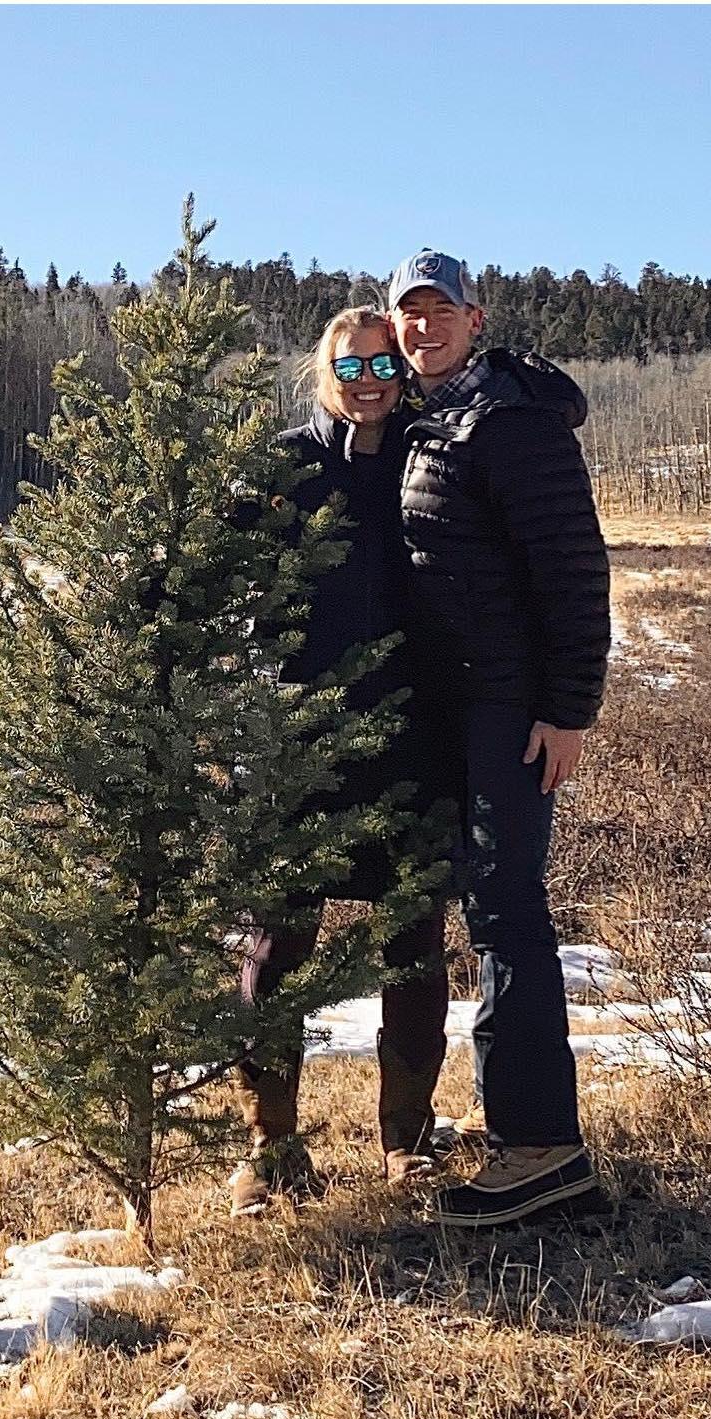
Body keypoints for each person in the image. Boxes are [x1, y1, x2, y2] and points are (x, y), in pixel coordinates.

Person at [385, 248, 611, 1227]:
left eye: (442, 311)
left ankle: (543, 1149)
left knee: (506, 910)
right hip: (467, 706)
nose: (424, 326)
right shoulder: (439, 420)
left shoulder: (509, 423)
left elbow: (572, 569)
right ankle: (522, 1126)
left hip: (511, 711)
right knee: (492, 906)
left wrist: (567, 710)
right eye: (409, 313)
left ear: (477, 322)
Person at [229, 305, 461, 1218]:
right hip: (298, 744)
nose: (367, 382)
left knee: (414, 947)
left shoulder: (430, 455)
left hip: (413, 738)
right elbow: (208, 563)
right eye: (349, 367)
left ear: (403, 371)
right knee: (275, 946)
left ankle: (408, 1142)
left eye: (381, 366)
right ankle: (270, 1145)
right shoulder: (286, 464)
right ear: (324, 372)